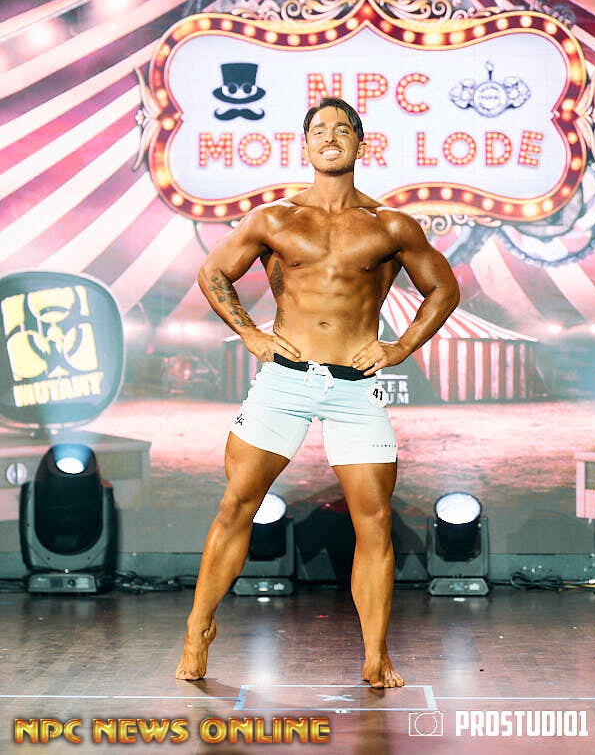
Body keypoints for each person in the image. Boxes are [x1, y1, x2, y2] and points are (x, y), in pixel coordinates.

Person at [175, 97, 460, 688]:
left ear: (361, 143)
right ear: (304, 146)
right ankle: (199, 628)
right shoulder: (275, 220)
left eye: (342, 129)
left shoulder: (390, 225)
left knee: (374, 522)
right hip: (284, 381)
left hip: (356, 388)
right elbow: (213, 272)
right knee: (236, 506)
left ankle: (376, 654)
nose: (330, 137)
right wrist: (250, 333)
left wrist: (399, 348)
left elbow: (444, 290)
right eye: (319, 130)